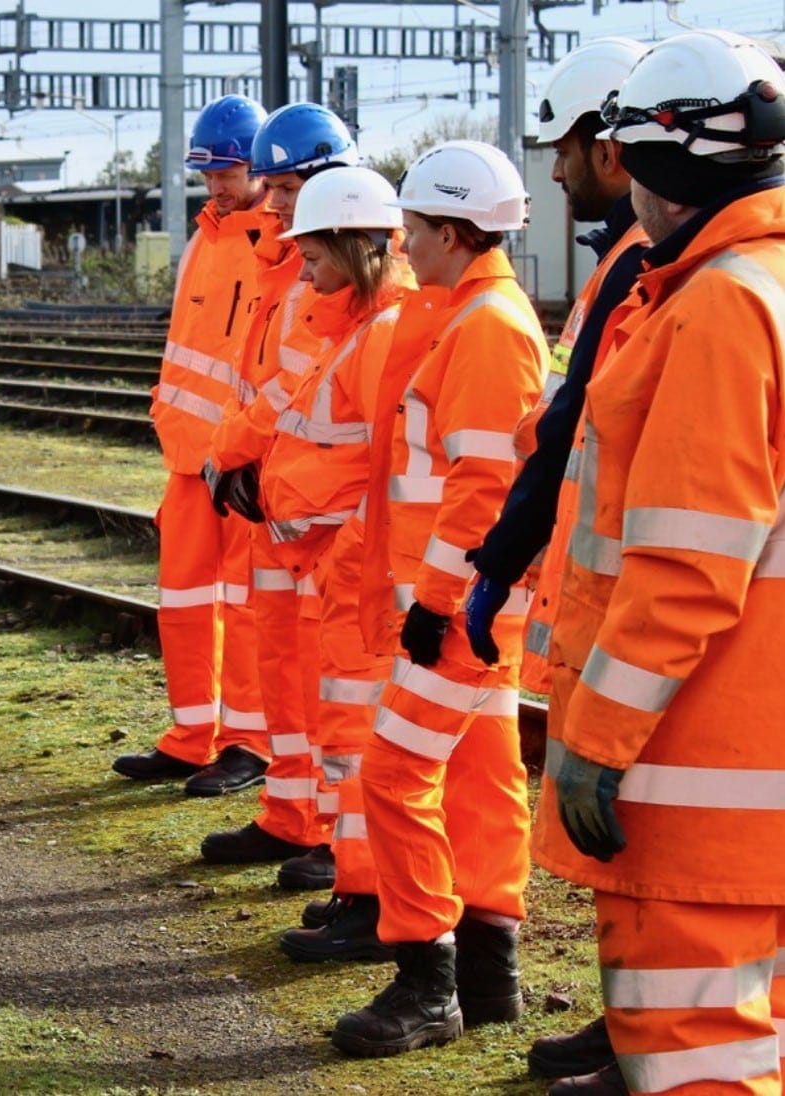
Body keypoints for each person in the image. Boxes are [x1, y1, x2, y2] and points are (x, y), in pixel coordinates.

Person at [532, 30, 785, 1095]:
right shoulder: (757, 285)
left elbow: (686, 563)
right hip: (753, 760)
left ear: (662, 164)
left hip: (697, 773)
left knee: (695, 1058)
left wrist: (592, 734)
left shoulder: (722, 307)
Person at [457, 37, 649, 1096]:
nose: (557, 171)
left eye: (565, 149)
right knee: (626, 837)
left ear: (611, 147)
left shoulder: (646, 269)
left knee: (649, 830)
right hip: (604, 576)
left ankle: (654, 1036)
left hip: (631, 589)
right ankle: (631, 1023)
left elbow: (564, 423)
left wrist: (498, 558)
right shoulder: (627, 263)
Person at [331, 140, 548, 1058]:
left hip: (461, 609)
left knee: (392, 773)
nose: (404, 245)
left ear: (456, 231)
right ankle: (490, 972)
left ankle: (427, 982)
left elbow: (484, 488)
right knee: (484, 771)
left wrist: (433, 600)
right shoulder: (476, 314)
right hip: (472, 603)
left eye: (415, 229)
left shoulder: (485, 329)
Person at [193, 103, 362, 866]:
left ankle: (334, 831)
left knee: (328, 679)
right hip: (278, 501)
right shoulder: (288, 269)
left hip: (316, 511)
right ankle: (292, 812)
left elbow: (288, 390)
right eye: (271, 186)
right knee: (283, 668)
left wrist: (229, 449)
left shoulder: (332, 282)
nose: (276, 202)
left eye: (288, 186)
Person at [113, 95, 273, 797]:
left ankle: (248, 742)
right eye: (206, 174)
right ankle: (190, 735)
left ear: (261, 167)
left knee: (243, 604)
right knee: (181, 599)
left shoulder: (280, 242)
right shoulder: (205, 239)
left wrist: (248, 449)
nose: (216, 185)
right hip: (187, 455)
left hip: (241, 461)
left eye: (228, 172)